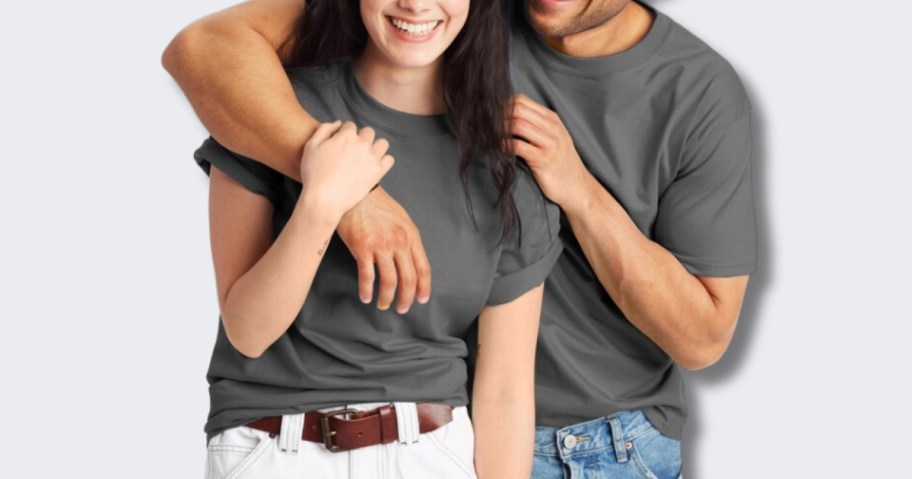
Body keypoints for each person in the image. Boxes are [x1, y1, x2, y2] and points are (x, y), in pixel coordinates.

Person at [164, 1, 757, 478]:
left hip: (603, 439)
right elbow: (203, 47)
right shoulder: (435, 20)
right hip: (419, 430)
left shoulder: (699, 91)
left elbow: (702, 338)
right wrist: (346, 196)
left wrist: (577, 189)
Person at [182, 1, 562, 478]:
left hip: (431, 453)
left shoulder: (506, 171)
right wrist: (327, 202)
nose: (417, 4)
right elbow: (248, 332)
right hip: (275, 448)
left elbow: (505, 392)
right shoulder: (270, 110)